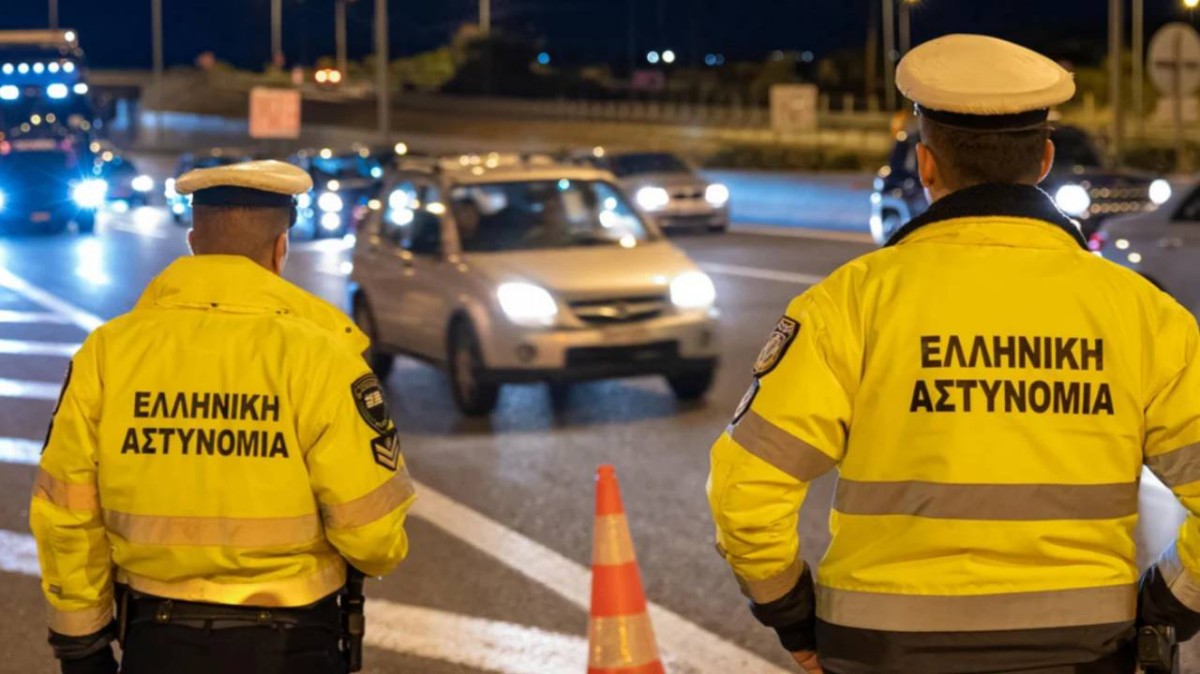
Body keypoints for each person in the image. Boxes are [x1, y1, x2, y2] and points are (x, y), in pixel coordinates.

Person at [708, 34, 1200, 674]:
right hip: (1085, 650)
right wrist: (1165, 608)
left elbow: (745, 492)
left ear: (926, 164)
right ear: (1045, 159)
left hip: (881, 649)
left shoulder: (850, 303)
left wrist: (793, 614)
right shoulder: (1143, 314)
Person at [29, 160, 416, 674]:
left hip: (156, 639)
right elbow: (372, 538)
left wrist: (79, 641)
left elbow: (66, 510)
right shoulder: (323, 357)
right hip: (293, 644)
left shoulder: (108, 352)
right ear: (280, 248)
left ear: (193, 242)